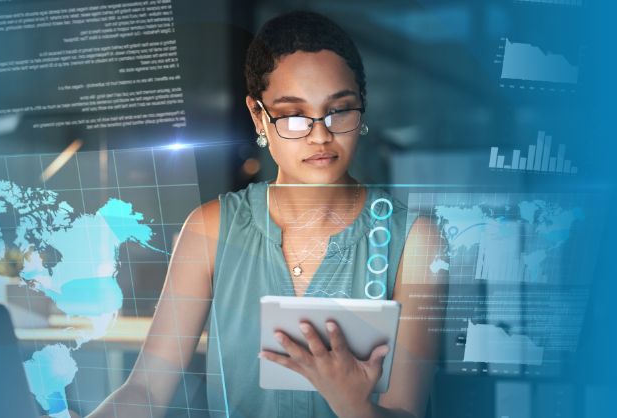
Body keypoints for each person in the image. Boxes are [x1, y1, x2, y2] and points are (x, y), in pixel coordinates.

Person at [86, 11, 447, 418]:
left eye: (339, 110)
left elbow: (407, 412)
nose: (320, 134)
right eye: (293, 115)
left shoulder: (416, 240)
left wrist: (353, 405)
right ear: (259, 116)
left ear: (361, 106)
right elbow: (146, 389)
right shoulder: (210, 229)